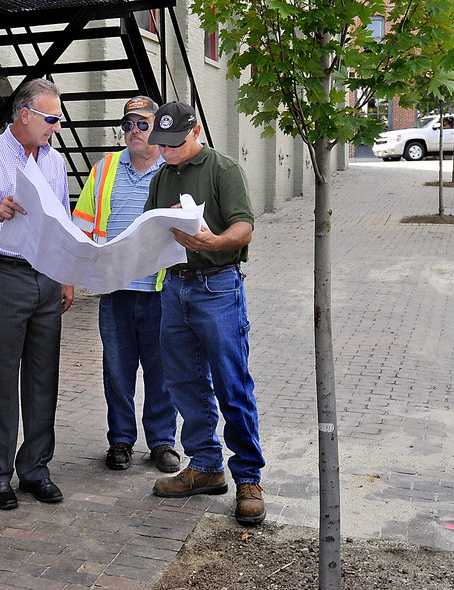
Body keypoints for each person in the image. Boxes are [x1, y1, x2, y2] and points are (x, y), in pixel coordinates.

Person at [143, 101, 267, 525]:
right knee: (183, 382)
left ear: (195, 132)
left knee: (232, 383)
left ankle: (248, 477)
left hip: (218, 287)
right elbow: (150, 227)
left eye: (174, 144)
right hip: (173, 288)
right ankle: (206, 466)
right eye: (160, 144)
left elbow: (244, 227)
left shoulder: (223, 169)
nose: (166, 151)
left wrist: (216, 243)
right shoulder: (161, 176)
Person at [0, 78, 74, 511]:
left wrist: (65, 274)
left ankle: (35, 470)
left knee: (44, 378)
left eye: (58, 119)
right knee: (1, 379)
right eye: (51, 118)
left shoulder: (55, 162)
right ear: (24, 114)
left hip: (46, 274)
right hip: (6, 276)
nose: (56, 127)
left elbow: (60, 218)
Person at [72, 96, 179, 472]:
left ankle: (162, 442)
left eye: (143, 124)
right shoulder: (105, 169)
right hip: (115, 289)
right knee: (117, 370)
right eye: (128, 124)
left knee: (160, 371)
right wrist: (80, 272)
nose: (134, 131)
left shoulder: (173, 169)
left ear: (159, 128)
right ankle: (120, 440)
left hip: (161, 291)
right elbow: (82, 225)